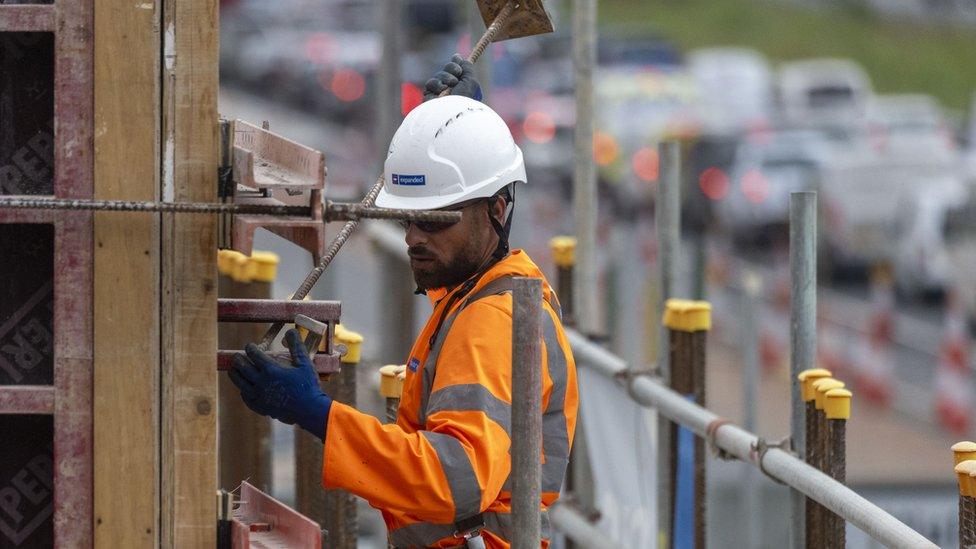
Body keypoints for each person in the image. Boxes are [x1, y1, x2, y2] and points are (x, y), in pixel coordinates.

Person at [229, 57, 578, 548]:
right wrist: (459, 126)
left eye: (434, 221)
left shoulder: (491, 320)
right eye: (407, 220)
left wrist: (318, 414)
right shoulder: (480, 290)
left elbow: (452, 480)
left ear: (497, 211)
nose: (414, 238)